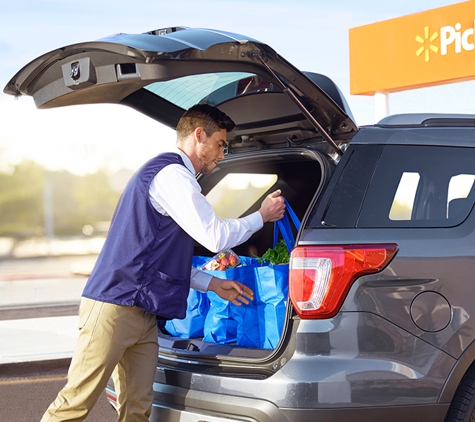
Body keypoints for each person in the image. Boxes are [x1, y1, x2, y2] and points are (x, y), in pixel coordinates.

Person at [40, 104, 286, 422]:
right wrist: (261, 216)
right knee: (75, 403)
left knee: (138, 408)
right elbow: (214, 236)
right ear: (200, 135)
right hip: (114, 306)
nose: (222, 155)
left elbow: (162, 258)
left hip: (143, 313)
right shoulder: (172, 176)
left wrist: (212, 284)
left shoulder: (176, 179)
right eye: (221, 145)